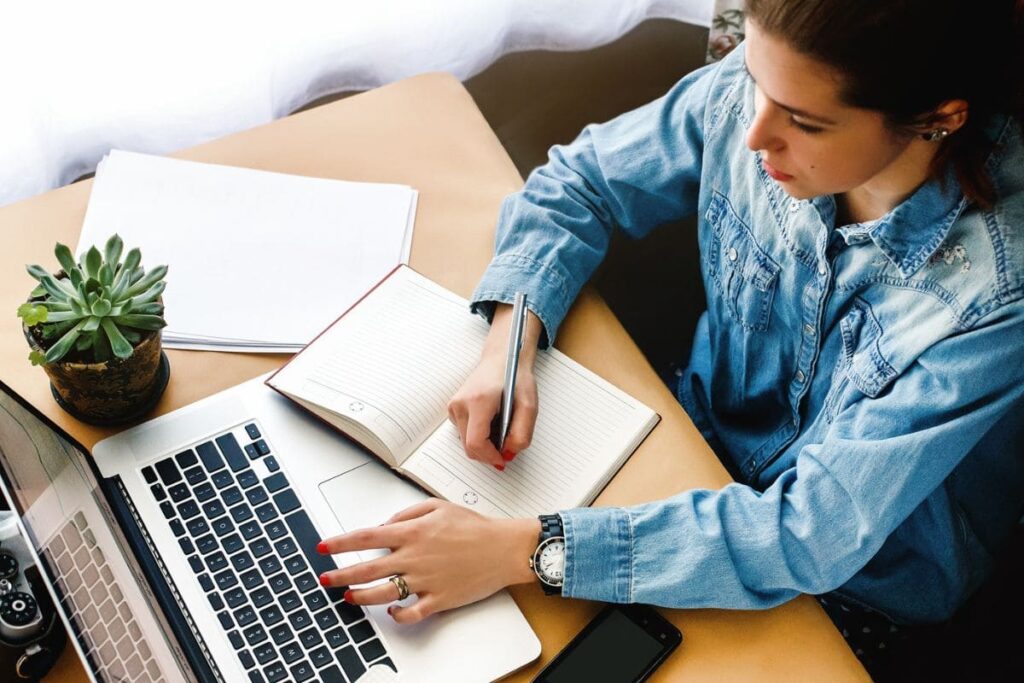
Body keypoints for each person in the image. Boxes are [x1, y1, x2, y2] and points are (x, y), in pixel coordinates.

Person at [316, 0, 1024, 674]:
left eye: (805, 123)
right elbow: (582, 183)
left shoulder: (997, 293)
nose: (753, 135)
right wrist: (510, 341)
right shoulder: (766, 89)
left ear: (937, 119)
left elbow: (813, 533)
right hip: (686, 449)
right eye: (752, 78)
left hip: (853, 587)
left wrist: (528, 551)